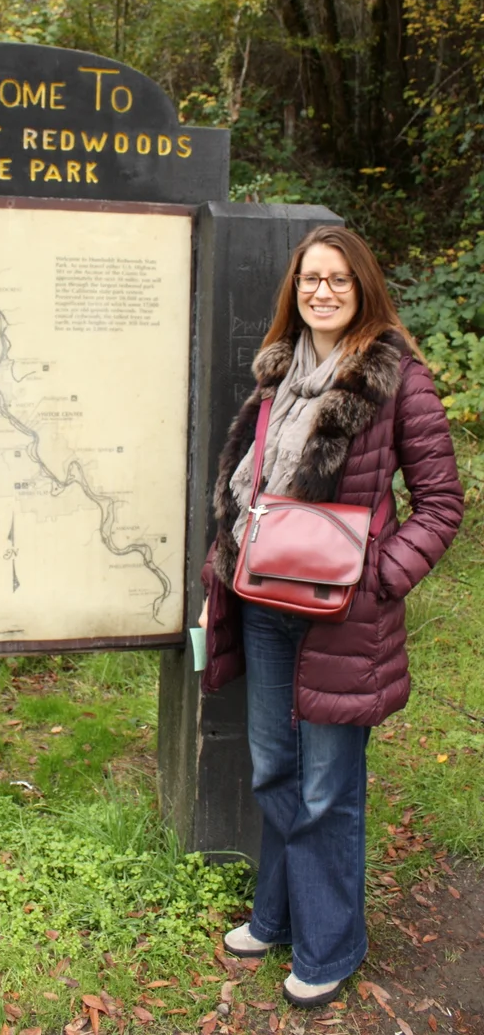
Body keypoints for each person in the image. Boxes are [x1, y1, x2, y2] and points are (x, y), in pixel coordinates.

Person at [199, 225, 464, 1009]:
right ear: (295, 290)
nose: (322, 291)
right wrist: (226, 564)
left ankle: (330, 945)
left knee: (327, 787)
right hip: (264, 602)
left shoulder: (397, 380)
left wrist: (379, 574)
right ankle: (278, 917)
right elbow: (250, 489)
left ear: (362, 288)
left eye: (338, 280)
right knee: (274, 769)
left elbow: (442, 504)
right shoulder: (277, 376)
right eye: (310, 279)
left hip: (345, 616)